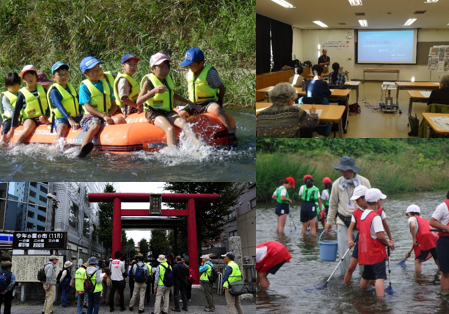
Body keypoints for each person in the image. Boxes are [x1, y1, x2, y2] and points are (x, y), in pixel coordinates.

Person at [136, 52, 199, 148]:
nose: (165, 70)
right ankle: (172, 153)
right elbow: (138, 101)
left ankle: (198, 146)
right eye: (161, 67)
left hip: (168, 111)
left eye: (166, 67)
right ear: (152, 69)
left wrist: (189, 103)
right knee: (170, 129)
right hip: (153, 112)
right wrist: (153, 91)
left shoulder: (167, 79)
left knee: (184, 124)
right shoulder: (148, 82)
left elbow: (173, 95)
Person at [178, 47, 238, 147]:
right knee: (180, 114)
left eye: (191, 64)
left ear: (201, 63)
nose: (189, 66)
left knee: (217, 108)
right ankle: (184, 138)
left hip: (208, 102)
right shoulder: (189, 73)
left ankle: (231, 134)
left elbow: (221, 88)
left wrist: (219, 102)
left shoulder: (211, 73)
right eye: (188, 64)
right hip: (193, 103)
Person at [325, 156, 371, 276]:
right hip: (343, 220)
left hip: (361, 221)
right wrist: (329, 221)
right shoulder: (336, 184)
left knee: (363, 250)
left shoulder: (364, 182)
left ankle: (364, 276)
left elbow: (371, 203)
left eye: (346, 170)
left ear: (352, 170)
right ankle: (345, 277)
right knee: (343, 252)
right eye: (341, 170)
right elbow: (333, 204)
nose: (343, 173)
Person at [78, 56, 126, 158]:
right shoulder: (84, 87)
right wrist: (103, 116)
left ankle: (119, 144)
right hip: (90, 117)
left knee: (120, 119)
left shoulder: (106, 85)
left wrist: (108, 115)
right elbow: (87, 107)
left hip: (105, 115)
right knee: (95, 125)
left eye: (99, 69)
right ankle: (83, 149)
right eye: (94, 70)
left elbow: (114, 104)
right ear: (85, 73)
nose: (99, 72)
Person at [345, 186, 395, 283]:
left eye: (357, 200)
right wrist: (350, 240)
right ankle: (346, 287)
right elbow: (350, 228)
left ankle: (371, 291)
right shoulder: (356, 212)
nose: (356, 202)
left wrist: (390, 238)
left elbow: (385, 225)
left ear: (365, 199)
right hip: (361, 242)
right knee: (351, 267)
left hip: (374, 243)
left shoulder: (379, 211)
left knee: (372, 273)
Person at [358, 188, 393, 299]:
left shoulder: (363, 215)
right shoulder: (375, 217)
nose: (381, 202)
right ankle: (380, 302)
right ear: (378, 201)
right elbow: (380, 236)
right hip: (376, 252)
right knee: (380, 277)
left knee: (366, 276)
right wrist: (388, 243)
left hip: (366, 252)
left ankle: (362, 295)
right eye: (381, 200)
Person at [8, 65, 51, 144]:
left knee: (54, 121)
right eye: (27, 76)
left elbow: (50, 104)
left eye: (32, 75)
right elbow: (16, 111)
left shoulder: (43, 90)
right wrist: (12, 128)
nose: (30, 78)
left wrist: (47, 115)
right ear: (24, 79)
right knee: (28, 129)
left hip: (44, 116)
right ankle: (14, 146)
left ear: (36, 78)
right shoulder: (22, 94)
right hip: (30, 118)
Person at [47, 61, 82, 142]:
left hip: (75, 116)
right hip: (62, 118)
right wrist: (69, 119)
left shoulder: (70, 87)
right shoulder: (54, 91)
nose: (63, 76)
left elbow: (78, 100)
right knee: (62, 128)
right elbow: (59, 106)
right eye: (60, 74)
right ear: (53, 77)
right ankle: (58, 149)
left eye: (66, 73)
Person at [405, 204, 439, 272]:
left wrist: (413, 239)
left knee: (418, 261)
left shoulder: (412, 218)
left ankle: (418, 279)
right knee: (437, 259)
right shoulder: (423, 220)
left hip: (426, 238)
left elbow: (413, 226)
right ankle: (443, 274)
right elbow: (417, 241)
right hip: (435, 238)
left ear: (409, 214)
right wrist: (409, 251)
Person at [429, 191, 449, 293]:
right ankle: (445, 297)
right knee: (445, 272)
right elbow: (432, 221)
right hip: (445, 242)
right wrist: (446, 228)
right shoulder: (443, 206)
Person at [1, 73, 21, 144]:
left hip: (20, 116)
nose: (16, 88)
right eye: (13, 86)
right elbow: (9, 109)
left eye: (17, 86)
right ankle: (2, 140)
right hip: (10, 117)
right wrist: (15, 118)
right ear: (7, 86)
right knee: (7, 124)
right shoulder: (5, 97)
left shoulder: (20, 93)